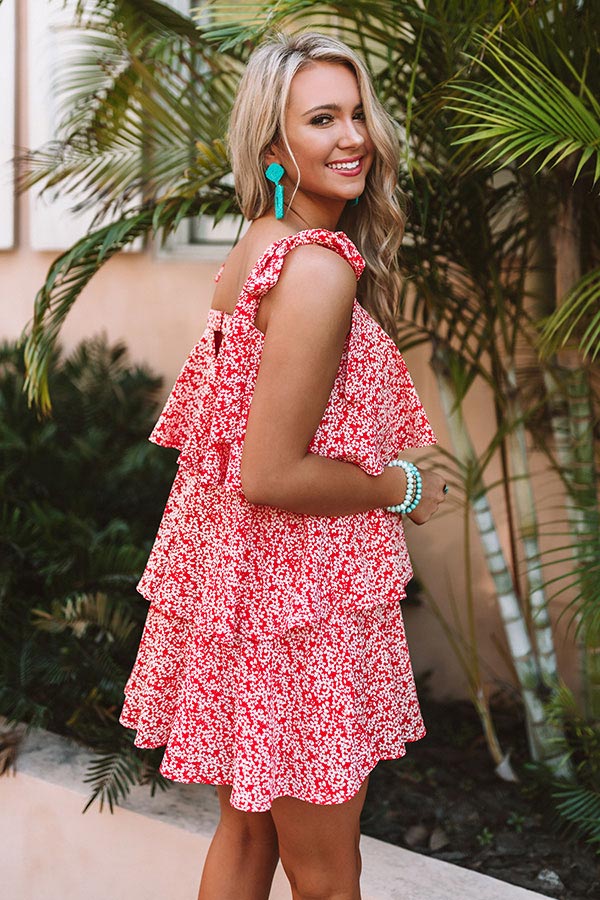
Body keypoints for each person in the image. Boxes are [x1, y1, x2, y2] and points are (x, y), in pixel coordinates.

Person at [119, 30, 447, 900]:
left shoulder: (258, 242)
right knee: (330, 876)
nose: (354, 138)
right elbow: (268, 472)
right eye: (322, 119)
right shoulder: (315, 272)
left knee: (245, 837)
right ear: (274, 145)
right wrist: (404, 485)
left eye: (357, 114)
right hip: (303, 611)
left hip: (245, 594)